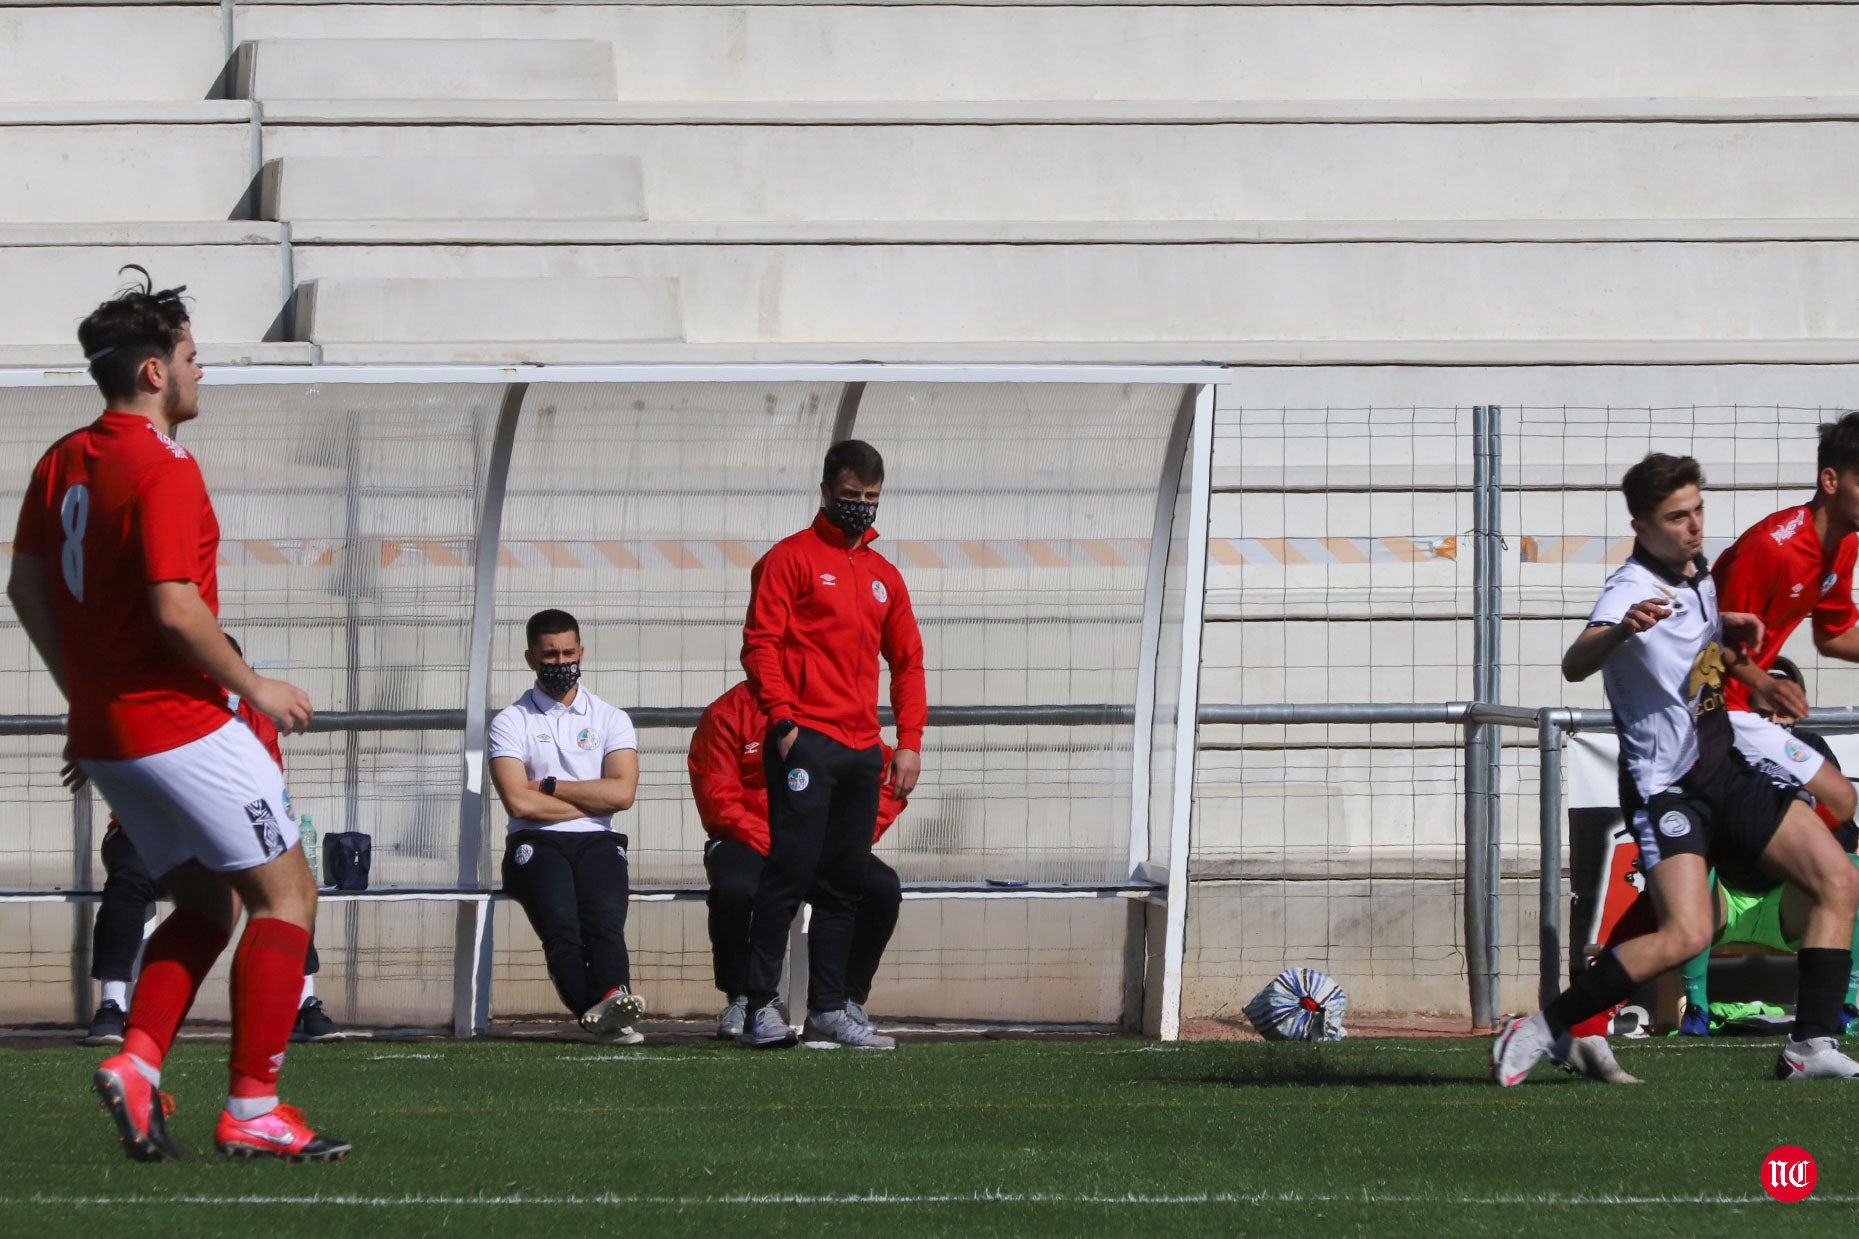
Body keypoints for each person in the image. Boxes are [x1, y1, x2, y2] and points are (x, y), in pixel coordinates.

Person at [8, 269, 343, 1162]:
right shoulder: (161, 465)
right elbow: (173, 605)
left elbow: (26, 588)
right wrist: (255, 685)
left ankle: (141, 1062)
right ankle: (254, 1107)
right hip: (177, 719)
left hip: (111, 730)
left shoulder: (63, 457)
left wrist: (86, 694)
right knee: (287, 895)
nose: (202, 373)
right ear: (154, 371)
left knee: (203, 901)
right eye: (193, 357)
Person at [1492, 452, 1859, 1085]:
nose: (1693, 527)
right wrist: (1616, 634)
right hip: (1669, 788)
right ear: (1640, 525)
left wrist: (1752, 674)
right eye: (1676, 516)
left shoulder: (1696, 572)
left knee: (1837, 879)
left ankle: (1811, 1045)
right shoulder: (1632, 588)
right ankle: (1545, 1028)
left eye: (1697, 511)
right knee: (1687, 933)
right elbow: (1575, 664)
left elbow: (1702, 658)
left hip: (1725, 770)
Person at [736, 439, 927, 1050]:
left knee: (846, 881)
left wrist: (909, 741)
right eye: (850, 498)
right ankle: (759, 1005)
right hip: (806, 741)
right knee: (788, 872)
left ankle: (826, 1009)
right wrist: (784, 720)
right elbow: (759, 642)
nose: (860, 509)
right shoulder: (789, 558)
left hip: (861, 747)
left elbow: (909, 662)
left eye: (871, 499)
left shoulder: (883, 575)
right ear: (825, 491)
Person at [84, 636, 342, 1047]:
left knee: (289, 882)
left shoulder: (251, 721)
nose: (217, 685)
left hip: (221, 837)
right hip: (149, 833)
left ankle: (302, 1002)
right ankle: (113, 1007)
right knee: (130, 878)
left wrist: (279, 846)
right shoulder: (156, 711)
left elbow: (266, 797)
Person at [689, 680, 909, 1040]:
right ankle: (744, 997)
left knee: (881, 888)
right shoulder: (728, 713)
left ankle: (843, 1000)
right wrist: (785, 844)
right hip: (750, 840)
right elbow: (719, 798)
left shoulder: (835, 705)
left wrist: (846, 837)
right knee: (736, 887)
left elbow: (881, 778)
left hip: (822, 841)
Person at [488, 608, 645, 1042]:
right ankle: (599, 1011)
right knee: (562, 926)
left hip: (597, 840)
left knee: (605, 920)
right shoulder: (511, 721)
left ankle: (613, 998)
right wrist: (591, 801)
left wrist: (552, 787)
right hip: (534, 842)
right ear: (530, 658)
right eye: (550, 655)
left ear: (582, 652)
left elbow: (623, 794)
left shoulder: (611, 718)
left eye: (568, 653)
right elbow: (519, 802)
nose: (560, 663)